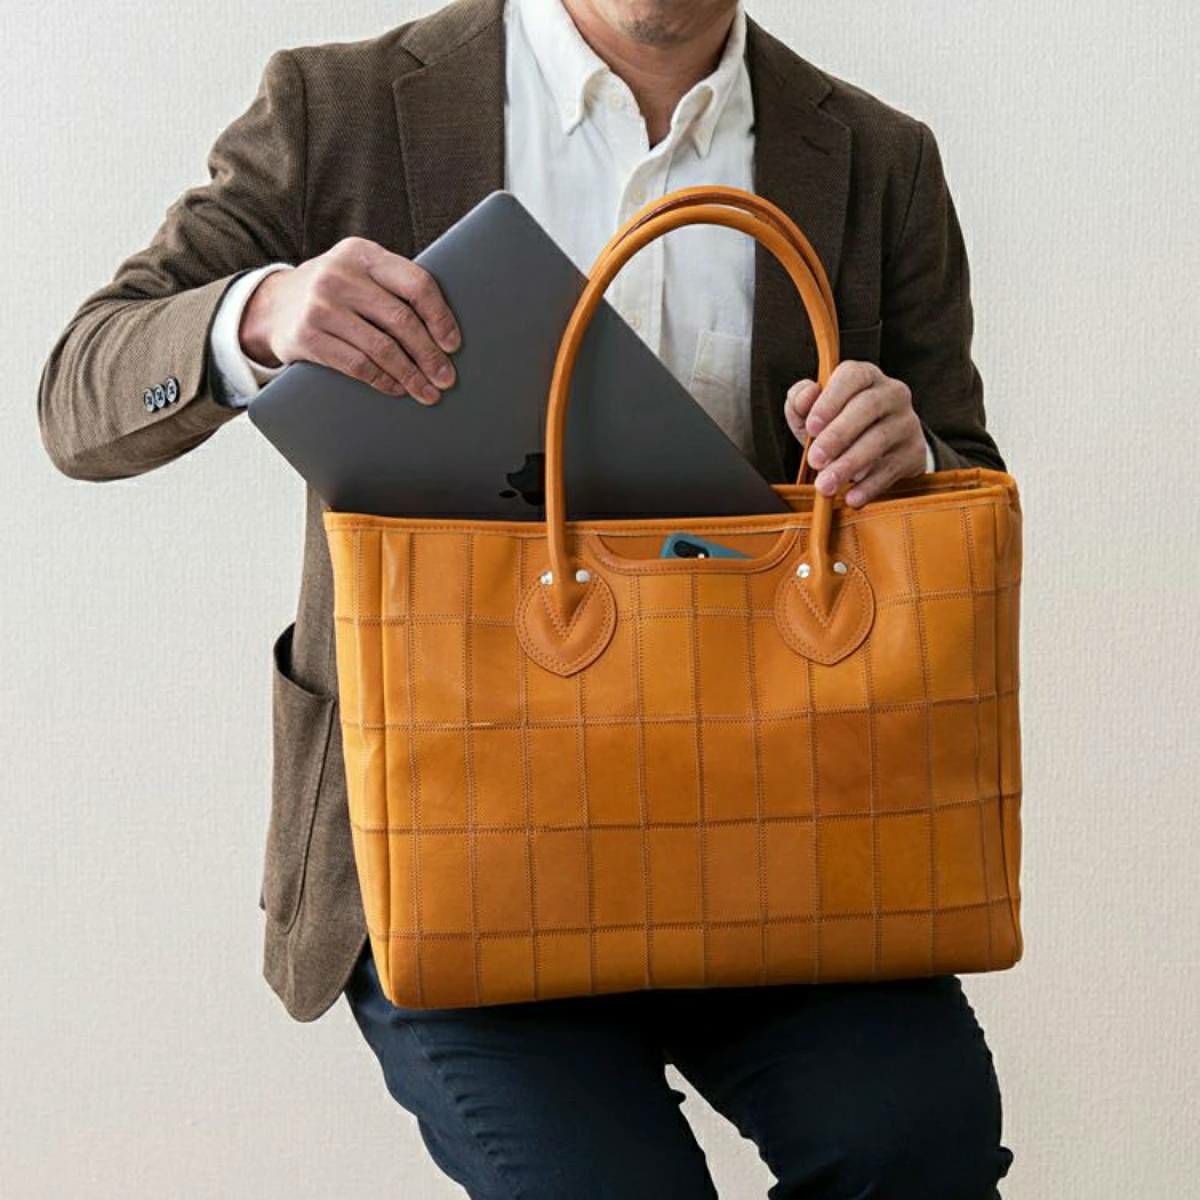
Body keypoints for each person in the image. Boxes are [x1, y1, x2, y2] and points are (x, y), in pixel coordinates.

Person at [38, 0, 1012, 1194]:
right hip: (451, 848)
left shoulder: (875, 157)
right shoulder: (340, 109)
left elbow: (964, 470)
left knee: (922, 1144)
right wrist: (261, 314)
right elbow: (79, 393)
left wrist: (912, 457)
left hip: (775, 831)